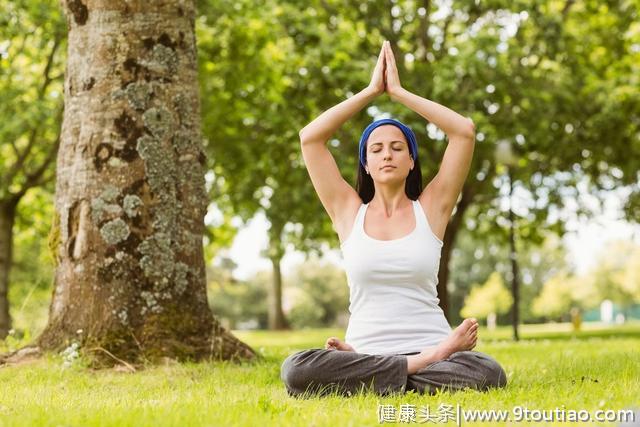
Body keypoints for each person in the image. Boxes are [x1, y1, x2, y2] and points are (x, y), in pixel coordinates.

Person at [280, 41, 507, 398]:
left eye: (398, 147)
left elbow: (463, 130)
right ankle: (406, 369)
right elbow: (310, 139)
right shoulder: (348, 212)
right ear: (366, 165)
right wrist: (371, 92)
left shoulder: (431, 209)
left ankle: (380, 377)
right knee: (296, 369)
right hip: (384, 353)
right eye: (377, 148)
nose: (387, 154)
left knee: (488, 372)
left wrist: (398, 93)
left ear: (412, 160)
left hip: (429, 355)